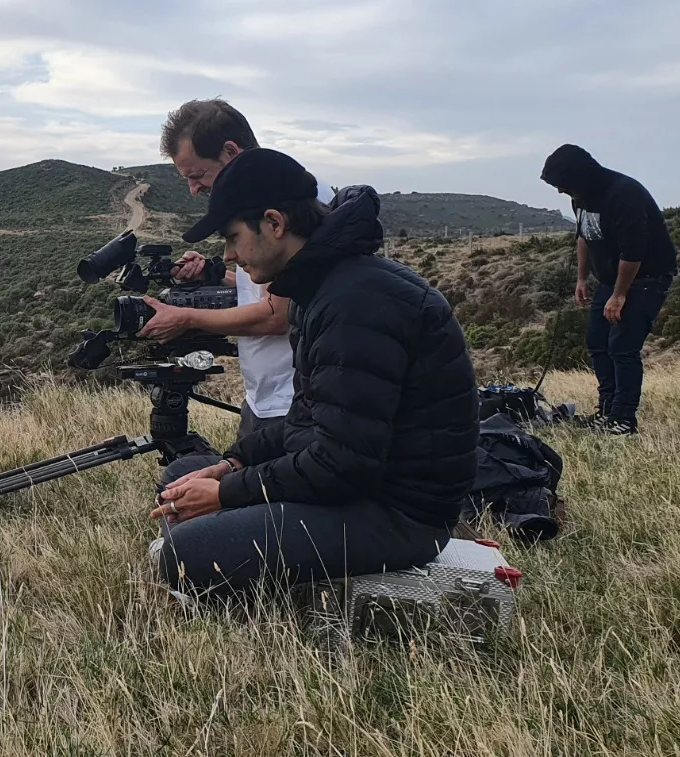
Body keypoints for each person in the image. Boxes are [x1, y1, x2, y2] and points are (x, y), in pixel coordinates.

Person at [147, 148, 479, 597]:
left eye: (232, 237)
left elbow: (342, 465)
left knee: (181, 555)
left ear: (274, 223)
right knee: (182, 477)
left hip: (397, 515)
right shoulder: (321, 287)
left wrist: (226, 494)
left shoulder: (356, 303)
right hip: (358, 487)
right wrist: (231, 465)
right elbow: (307, 419)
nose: (227, 256)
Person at [139, 99, 336, 441]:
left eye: (198, 175)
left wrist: (184, 317)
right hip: (262, 397)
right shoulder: (250, 208)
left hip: (291, 402)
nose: (194, 189)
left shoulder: (280, 211)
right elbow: (264, 290)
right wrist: (215, 277)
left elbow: (277, 315)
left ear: (230, 152)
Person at [540, 144, 678, 435]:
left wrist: (619, 295)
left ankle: (623, 420)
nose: (560, 191)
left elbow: (634, 252)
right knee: (597, 341)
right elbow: (584, 236)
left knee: (623, 347)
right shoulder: (581, 197)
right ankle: (606, 411)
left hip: (646, 277)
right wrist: (582, 278)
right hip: (609, 279)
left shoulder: (623, 194)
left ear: (580, 176)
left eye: (562, 185)